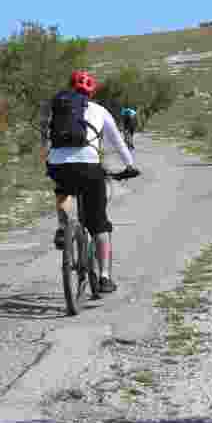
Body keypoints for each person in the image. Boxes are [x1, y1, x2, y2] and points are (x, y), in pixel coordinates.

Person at [46, 70, 139, 294]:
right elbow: (118, 142)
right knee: (99, 225)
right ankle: (105, 277)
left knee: (63, 190)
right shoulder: (100, 110)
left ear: (70, 87)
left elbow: (48, 136)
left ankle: (63, 227)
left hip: (58, 164)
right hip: (89, 168)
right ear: (91, 91)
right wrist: (130, 166)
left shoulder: (59, 107)